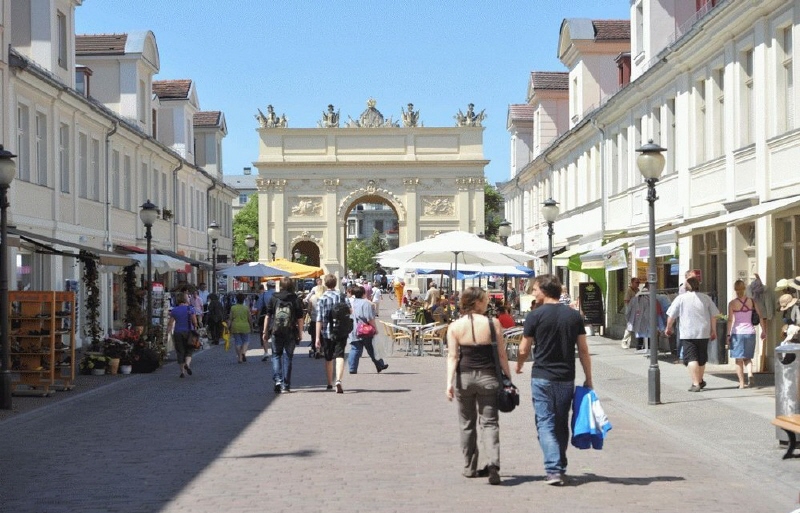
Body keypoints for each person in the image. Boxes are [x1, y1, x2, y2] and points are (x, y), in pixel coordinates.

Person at [517, 274, 593, 486]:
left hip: (542, 377)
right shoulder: (574, 316)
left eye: (534, 289)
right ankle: (561, 464)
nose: (533, 293)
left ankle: (554, 469)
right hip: (566, 377)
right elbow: (584, 350)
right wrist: (589, 377)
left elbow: (523, 348)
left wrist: (520, 363)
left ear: (544, 290)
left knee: (545, 422)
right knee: (560, 422)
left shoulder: (535, 316)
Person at [445, 287, 509, 485]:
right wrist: (507, 376)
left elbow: (453, 356)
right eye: (485, 300)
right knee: (489, 423)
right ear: (478, 302)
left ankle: (469, 467)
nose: (487, 303)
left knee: (467, 424)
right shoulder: (493, 323)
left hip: (464, 378)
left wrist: (449, 383)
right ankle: (493, 463)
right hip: (489, 378)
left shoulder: (455, 326)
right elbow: (501, 354)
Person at [664, 276, 719, 392]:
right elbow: (714, 315)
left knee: (691, 358)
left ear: (686, 287)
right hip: (703, 332)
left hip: (688, 332)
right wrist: (713, 330)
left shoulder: (681, 298)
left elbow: (671, 316)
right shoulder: (706, 298)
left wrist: (668, 328)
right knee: (701, 357)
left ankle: (695, 384)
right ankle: (700, 380)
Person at [263, 277, 304, 393]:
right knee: (288, 357)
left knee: (276, 355)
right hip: (290, 331)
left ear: (280, 285)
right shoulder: (295, 299)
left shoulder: (274, 298)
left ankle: (278, 380)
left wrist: (265, 332)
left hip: (276, 331)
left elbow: (268, 316)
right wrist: (300, 334)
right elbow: (300, 319)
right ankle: (286, 385)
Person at [727, 279, 766, 389]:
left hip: (737, 333)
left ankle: (741, 383)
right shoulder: (752, 301)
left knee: (738, 359)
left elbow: (730, 320)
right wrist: (763, 331)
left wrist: (728, 335)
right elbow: (760, 316)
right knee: (747, 357)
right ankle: (750, 374)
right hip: (750, 332)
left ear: (735, 290)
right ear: (744, 289)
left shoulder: (732, 303)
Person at [315, 274, 349, 393]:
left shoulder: (322, 298)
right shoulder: (341, 296)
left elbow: (319, 319)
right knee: (340, 355)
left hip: (327, 331)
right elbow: (350, 310)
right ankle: (338, 380)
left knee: (329, 357)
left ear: (325, 283)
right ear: (335, 283)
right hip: (341, 330)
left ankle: (329, 383)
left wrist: (317, 337)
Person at [348, 285, 388, 374]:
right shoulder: (366, 303)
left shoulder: (352, 302)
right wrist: (375, 329)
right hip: (365, 329)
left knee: (355, 349)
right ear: (363, 293)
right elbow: (370, 318)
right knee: (372, 348)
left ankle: (352, 368)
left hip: (353, 329)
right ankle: (379, 364)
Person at [166, 292, 199, 378]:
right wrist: (195, 327)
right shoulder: (190, 309)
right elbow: (194, 322)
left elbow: (170, 323)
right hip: (189, 332)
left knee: (180, 351)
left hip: (178, 332)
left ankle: (182, 372)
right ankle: (187, 364)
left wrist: (167, 332)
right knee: (189, 350)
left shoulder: (174, 310)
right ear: (185, 299)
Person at [228, 293, 252, 363]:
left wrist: (228, 327)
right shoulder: (246, 308)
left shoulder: (233, 308)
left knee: (237, 342)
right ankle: (243, 352)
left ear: (236, 299)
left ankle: (240, 358)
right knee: (246, 341)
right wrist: (252, 326)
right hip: (245, 326)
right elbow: (249, 318)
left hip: (235, 326)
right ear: (244, 300)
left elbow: (230, 318)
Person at [255, 282, 276, 361]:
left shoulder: (263, 295)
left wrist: (257, 319)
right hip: (276, 318)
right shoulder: (278, 295)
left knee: (264, 335)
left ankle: (266, 352)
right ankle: (274, 353)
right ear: (274, 286)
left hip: (265, 316)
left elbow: (259, 308)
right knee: (275, 336)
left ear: (267, 286)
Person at [621, 277, 641, 349]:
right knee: (629, 327)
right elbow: (626, 301)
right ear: (632, 283)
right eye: (636, 282)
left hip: (636, 311)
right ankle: (624, 341)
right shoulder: (629, 290)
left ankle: (631, 343)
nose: (638, 284)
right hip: (630, 311)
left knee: (634, 326)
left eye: (639, 283)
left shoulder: (638, 290)